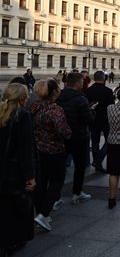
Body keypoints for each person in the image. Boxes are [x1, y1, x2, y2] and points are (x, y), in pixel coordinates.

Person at [31, 79, 71, 232]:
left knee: (42, 181)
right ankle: (43, 214)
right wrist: (69, 133)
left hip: (39, 149)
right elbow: (63, 131)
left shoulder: (35, 106)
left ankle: (40, 212)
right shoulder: (55, 109)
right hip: (55, 150)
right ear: (54, 91)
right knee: (56, 181)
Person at [0, 84, 36, 255]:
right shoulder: (23, 116)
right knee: (15, 208)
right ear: (22, 98)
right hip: (14, 171)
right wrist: (30, 176)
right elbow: (26, 150)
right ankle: (11, 242)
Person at [57, 72, 95, 205]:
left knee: (60, 166)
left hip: (62, 136)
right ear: (78, 83)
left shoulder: (58, 95)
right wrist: (92, 111)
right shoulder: (81, 98)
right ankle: (77, 193)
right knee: (79, 166)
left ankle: (55, 196)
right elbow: (88, 119)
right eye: (81, 82)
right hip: (78, 136)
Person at [85, 71, 115, 173]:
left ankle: (97, 162)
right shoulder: (108, 91)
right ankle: (99, 160)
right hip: (106, 120)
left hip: (93, 120)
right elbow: (112, 106)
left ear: (94, 78)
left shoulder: (88, 91)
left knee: (94, 142)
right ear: (104, 79)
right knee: (109, 141)